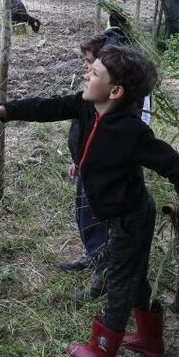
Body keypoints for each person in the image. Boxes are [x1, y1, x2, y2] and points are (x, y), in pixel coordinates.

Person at [0, 45, 179, 357]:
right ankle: (150, 341)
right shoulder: (85, 107)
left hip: (131, 218)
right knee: (134, 277)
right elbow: (44, 107)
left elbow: (176, 166)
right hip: (116, 214)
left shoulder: (133, 132)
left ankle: (103, 351)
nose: (85, 74)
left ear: (115, 91)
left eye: (94, 73)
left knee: (119, 282)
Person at [59, 31, 152, 303]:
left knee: (97, 222)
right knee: (85, 217)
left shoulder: (119, 101)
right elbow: (85, 129)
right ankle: (94, 258)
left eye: (90, 62)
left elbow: (121, 138)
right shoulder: (93, 93)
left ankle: (103, 276)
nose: (86, 68)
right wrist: (78, 161)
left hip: (103, 174)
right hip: (87, 167)